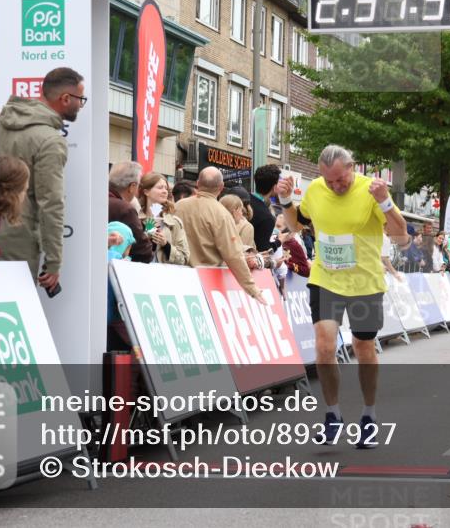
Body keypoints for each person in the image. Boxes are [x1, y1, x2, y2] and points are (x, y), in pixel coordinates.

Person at [277, 145, 408, 448]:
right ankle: (333, 414)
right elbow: (297, 224)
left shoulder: (371, 190)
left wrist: (386, 203)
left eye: (341, 180)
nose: (335, 187)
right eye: (329, 181)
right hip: (326, 279)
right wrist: (285, 201)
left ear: (353, 168)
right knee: (324, 346)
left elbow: (401, 237)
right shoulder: (315, 191)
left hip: (364, 283)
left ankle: (369, 416)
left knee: (363, 346)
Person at [0, 67, 86, 291]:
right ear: (65, 98)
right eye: (81, 99)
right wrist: (54, 261)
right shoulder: (50, 141)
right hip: (17, 239)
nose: (81, 105)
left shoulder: (0, 121)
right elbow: (51, 203)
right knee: (12, 314)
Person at [174, 167, 264, 301]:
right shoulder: (222, 214)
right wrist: (252, 289)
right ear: (221, 187)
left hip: (176, 277)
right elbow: (233, 254)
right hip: (208, 282)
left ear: (198, 183)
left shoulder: (178, 206)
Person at [138, 171, 191, 265]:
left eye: (166, 188)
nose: (164, 191)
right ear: (146, 192)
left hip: (164, 276)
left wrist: (166, 245)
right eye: (160, 187)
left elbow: (184, 258)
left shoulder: (174, 223)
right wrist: (147, 238)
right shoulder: (136, 219)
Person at [107, 162, 155, 264]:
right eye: (139, 185)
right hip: (116, 270)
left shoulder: (93, 200)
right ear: (132, 186)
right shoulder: (125, 209)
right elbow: (144, 252)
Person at [250, 164, 281, 252]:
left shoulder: (240, 198)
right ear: (274, 188)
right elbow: (263, 251)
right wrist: (279, 241)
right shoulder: (267, 217)